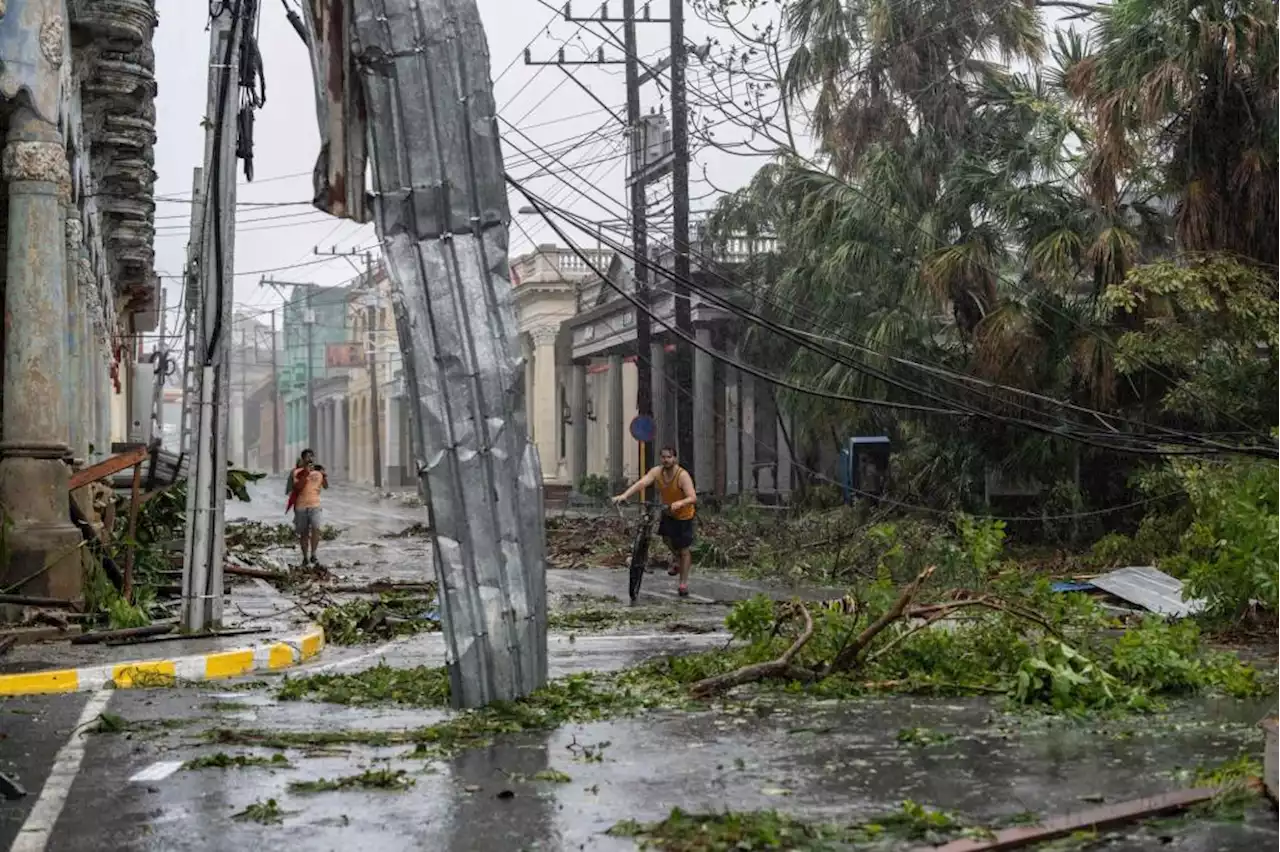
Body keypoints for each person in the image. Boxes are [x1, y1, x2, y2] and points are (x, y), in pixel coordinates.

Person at [612, 446, 697, 597]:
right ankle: (676, 560)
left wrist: (680, 503)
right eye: (663, 457)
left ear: (675, 459)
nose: (666, 460)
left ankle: (683, 583)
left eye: (669, 457)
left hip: (684, 515)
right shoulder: (657, 472)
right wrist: (624, 495)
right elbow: (642, 483)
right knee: (666, 539)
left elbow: (692, 497)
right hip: (668, 511)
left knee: (684, 549)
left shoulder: (682, 475)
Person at [286, 448, 328, 567]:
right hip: (301, 507)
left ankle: (313, 554)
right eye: (308, 457)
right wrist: (306, 472)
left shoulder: (318, 471)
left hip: (315, 505)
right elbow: (298, 487)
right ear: (303, 459)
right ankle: (305, 557)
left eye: (312, 457)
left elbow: (326, 486)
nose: (310, 459)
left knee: (316, 528)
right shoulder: (297, 472)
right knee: (304, 533)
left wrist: (323, 475)